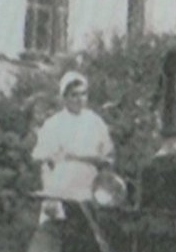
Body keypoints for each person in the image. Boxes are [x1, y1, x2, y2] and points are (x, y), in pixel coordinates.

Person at [32, 72, 115, 220]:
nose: (79, 99)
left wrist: (103, 192)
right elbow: (45, 163)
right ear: (64, 97)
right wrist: (49, 195)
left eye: (83, 94)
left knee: (86, 229)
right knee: (56, 229)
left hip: (88, 189)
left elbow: (107, 159)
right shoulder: (53, 124)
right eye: (74, 95)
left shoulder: (96, 122)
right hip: (60, 190)